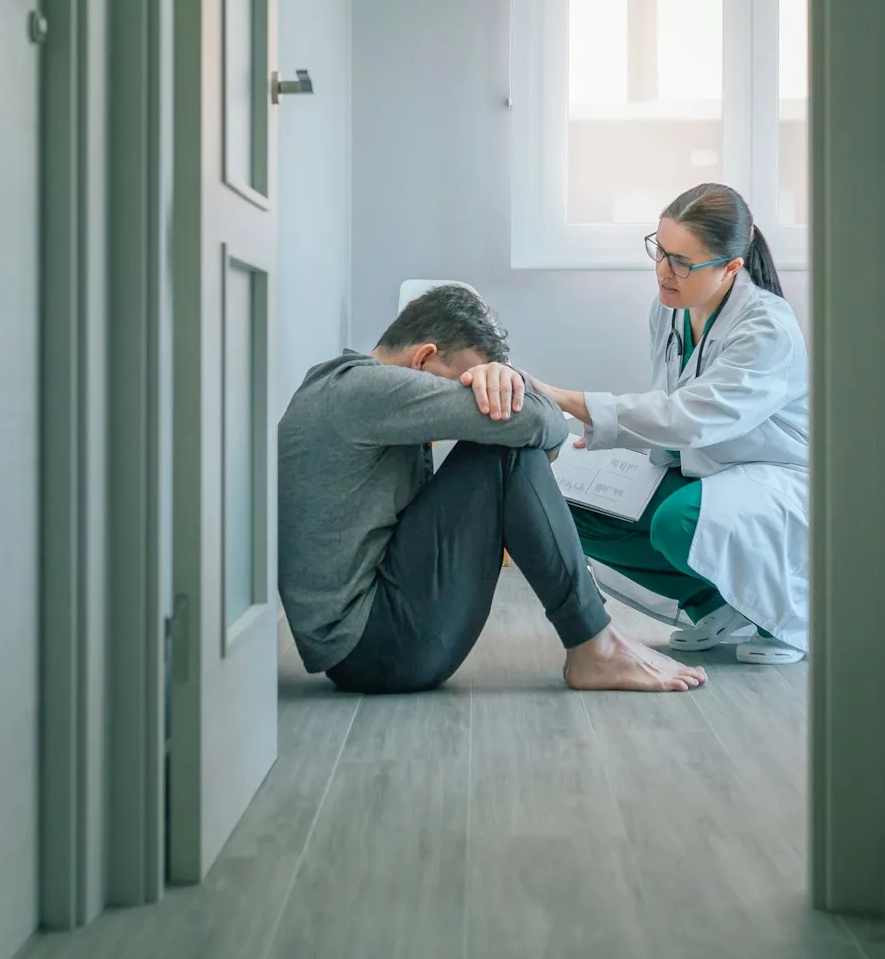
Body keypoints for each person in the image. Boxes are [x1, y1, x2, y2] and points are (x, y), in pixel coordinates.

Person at [277, 284, 709, 695]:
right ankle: (594, 644)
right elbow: (543, 423)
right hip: (377, 649)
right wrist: (512, 386)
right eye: (465, 383)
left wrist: (504, 381)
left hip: (372, 641)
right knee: (503, 453)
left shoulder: (341, 386)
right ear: (423, 360)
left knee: (503, 447)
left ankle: (596, 637)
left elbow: (548, 428)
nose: (473, 395)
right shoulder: (366, 390)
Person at [525, 183, 810, 665]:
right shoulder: (670, 309)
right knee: (559, 501)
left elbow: (694, 417)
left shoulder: (766, 328)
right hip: (703, 470)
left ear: (731, 267)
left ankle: (779, 617)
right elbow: (669, 407)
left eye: (682, 262)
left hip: (773, 480)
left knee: (680, 521)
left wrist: (572, 402)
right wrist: (603, 453)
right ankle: (718, 605)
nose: (663, 272)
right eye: (660, 251)